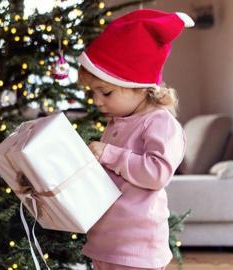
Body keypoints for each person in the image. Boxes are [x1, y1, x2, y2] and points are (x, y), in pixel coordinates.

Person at [77, 8, 194, 270]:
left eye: (105, 92)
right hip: (106, 240)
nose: (97, 102)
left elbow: (156, 174)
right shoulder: (118, 120)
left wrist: (108, 153)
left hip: (137, 246)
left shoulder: (160, 123)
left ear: (139, 86)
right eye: (93, 93)